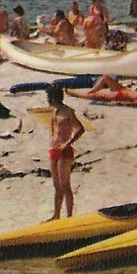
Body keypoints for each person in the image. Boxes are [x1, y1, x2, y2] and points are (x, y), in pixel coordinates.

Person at [46, 86, 86, 220]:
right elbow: (53, 130)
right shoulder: (55, 112)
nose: (47, 100)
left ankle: (69, 216)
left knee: (65, 185)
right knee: (56, 186)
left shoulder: (67, 112)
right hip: (54, 149)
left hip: (64, 150)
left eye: (49, 97)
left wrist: (68, 143)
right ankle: (56, 215)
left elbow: (80, 129)